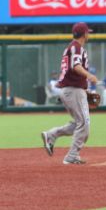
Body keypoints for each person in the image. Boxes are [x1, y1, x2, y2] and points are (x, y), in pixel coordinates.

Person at [40, 22, 99, 165]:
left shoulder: (73, 47)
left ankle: (51, 135)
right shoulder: (76, 47)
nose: (89, 34)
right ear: (84, 34)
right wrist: (89, 76)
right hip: (72, 90)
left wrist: (85, 90)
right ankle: (72, 156)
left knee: (80, 123)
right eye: (88, 32)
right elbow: (76, 66)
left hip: (72, 90)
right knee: (84, 124)